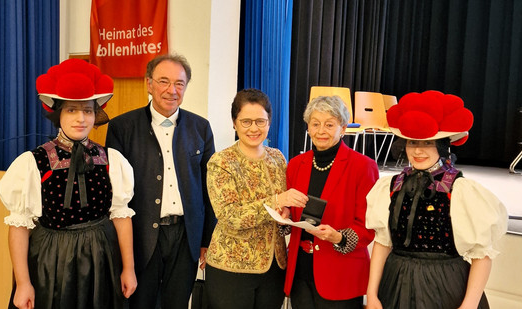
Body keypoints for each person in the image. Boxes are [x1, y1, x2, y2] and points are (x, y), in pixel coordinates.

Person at [0, 58, 137, 309]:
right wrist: (22, 282)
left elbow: (121, 217)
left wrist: (128, 269)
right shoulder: (33, 162)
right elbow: (19, 226)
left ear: (95, 115)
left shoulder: (111, 160)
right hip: (51, 260)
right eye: (72, 110)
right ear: (58, 114)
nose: (81, 118)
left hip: (101, 260)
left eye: (87, 110)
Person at [365, 90, 508, 309]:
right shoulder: (391, 186)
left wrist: (468, 305)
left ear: (442, 147)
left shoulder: (461, 190)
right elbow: (383, 243)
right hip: (395, 284)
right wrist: (372, 293)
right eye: (412, 143)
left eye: (427, 143)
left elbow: (482, 256)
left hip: (445, 288)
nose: (418, 151)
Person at [105, 53, 216, 309]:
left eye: (179, 83)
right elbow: (114, 192)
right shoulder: (123, 127)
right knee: (140, 303)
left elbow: (209, 188)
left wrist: (206, 240)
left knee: (176, 303)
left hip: (186, 235)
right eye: (164, 81)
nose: (171, 90)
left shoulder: (200, 128)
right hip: (141, 235)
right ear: (149, 83)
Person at [203, 88, 307, 309]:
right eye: (246, 121)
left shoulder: (277, 157)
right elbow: (230, 216)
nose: (253, 128)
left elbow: (283, 211)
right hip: (231, 268)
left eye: (260, 121)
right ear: (234, 122)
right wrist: (277, 201)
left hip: (274, 267)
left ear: (269, 122)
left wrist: (285, 216)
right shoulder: (221, 162)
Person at [283, 95, 380, 308]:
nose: (321, 131)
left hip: (341, 273)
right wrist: (284, 215)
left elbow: (368, 225)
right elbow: (289, 212)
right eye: (315, 124)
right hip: (301, 271)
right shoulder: (296, 164)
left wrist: (338, 237)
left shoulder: (363, 167)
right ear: (308, 127)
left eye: (329, 124)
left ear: (343, 128)